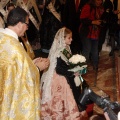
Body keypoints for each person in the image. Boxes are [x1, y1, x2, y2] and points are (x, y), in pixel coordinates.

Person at [0, 7, 49, 119]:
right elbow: (24, 80)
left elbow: (13, 69)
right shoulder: (15, 48)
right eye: (27, 24)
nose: (27, 28)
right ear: (19, 24)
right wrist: (37, 68)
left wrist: (30, 63)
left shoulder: (3, 38)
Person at [41, 27, 88, 119]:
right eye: (69, 38)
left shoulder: (66, 48)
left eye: (71, 37)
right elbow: (59, 69)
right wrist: (72, 73)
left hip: (66, 74)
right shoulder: (60, 51)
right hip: (60, 77)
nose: (71, 39)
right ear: (63, 39)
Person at [79, 0, 104, 70]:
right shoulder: (87, 6)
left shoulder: (100, 8)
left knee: (95, 49)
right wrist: (93, 22)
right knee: (87, 49)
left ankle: (95, 65)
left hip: (95, 32)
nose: (100, 2)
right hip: (86, 32)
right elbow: (82, 19)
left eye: (101, 0)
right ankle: (83, 67)